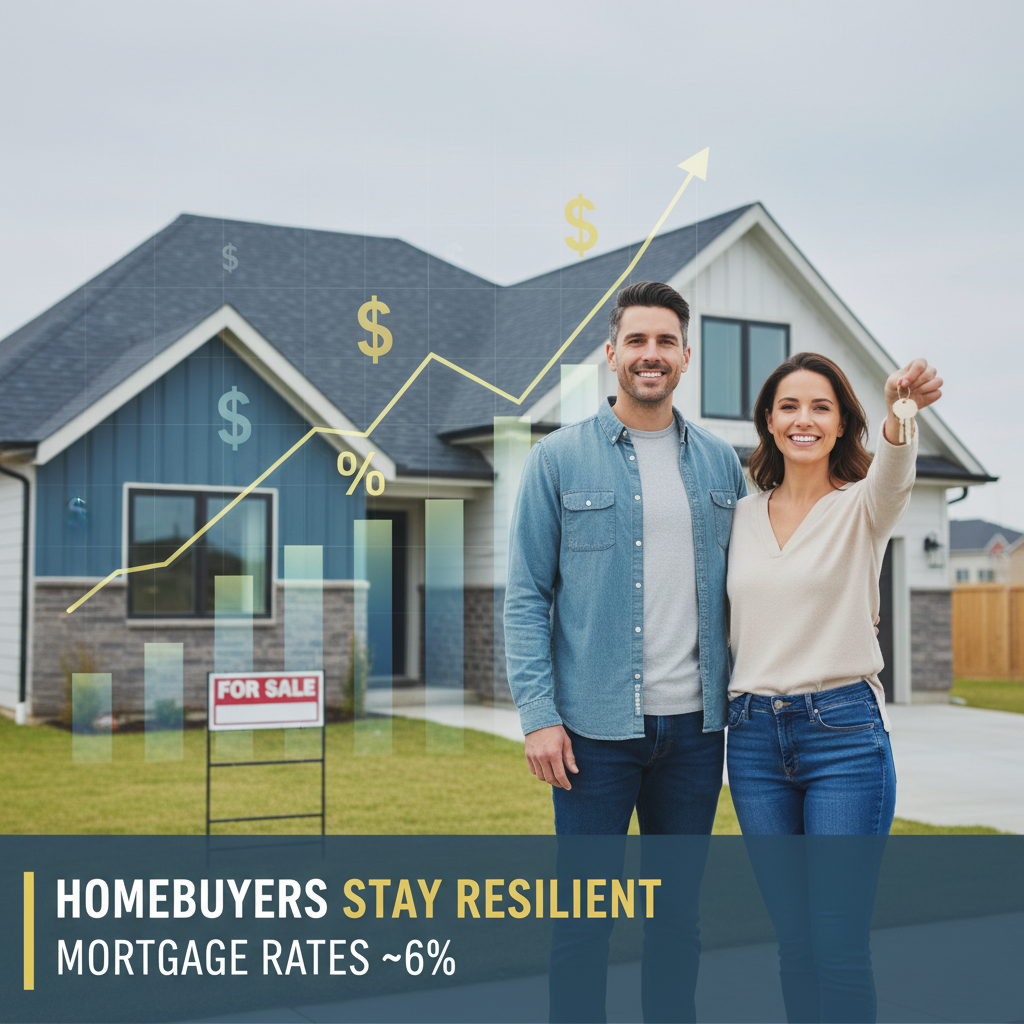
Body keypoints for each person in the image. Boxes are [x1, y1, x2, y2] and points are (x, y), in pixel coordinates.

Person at [504, 280, 746, 1022]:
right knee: (583, 922)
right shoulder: (557, 460)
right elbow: (524, 596)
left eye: (665, 341)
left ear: (685, 355)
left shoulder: (722, 465)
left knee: (676, 921)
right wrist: (538, 716)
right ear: (612, 355)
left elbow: (761, 574)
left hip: (697, 734)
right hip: (592, 735)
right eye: (636, 341)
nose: (651, 354)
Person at [725, 351, 942, 1023]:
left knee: (839, 945)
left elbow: (896, 473)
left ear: (844, 422)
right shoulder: (737, 515)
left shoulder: (861, 509)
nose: (803, 420)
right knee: (795, 945)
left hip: (842, 738)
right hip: (754, 742)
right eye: (789, 406)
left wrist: (902, 412)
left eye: (821, 407)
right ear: (768, 420)